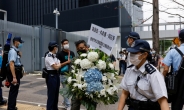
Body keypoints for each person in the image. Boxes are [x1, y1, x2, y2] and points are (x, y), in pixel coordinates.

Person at [118, 40, 169, 110]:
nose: (131, 55)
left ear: (145, 55)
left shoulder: (154, 74)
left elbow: (162, 101)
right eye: (131, 52)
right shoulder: (129, 70)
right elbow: (124, 93)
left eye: (135, 53)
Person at [162, 29, 184, 110]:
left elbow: (165, 69)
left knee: (176, 106)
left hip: (177, 83)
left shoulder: (173, 51)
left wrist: (162, 80)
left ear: (179, 39)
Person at [57, 39, 75, 110]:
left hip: (71, 74)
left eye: (67, 43)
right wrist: (67, 62)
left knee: (70, 90)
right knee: (65, 90)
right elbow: (58, 65)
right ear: (62, 45)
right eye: (64, 43)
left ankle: (65, 101)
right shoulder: (59, 54)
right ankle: (68, 105)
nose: (66, 44)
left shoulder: (72, 53)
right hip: (63, 74)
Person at [7, 37, 24, 110]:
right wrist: (14, 77)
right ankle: (11, 107)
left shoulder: (16, 51)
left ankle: (12, 106)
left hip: (16, 73)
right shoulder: (13, 51)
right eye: (20, 42)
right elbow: (11, 64)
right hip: (14, 74)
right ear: (16, 42)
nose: (21, 44)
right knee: (13, 91)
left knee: (15, 90)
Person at [45, 41, 61, 110]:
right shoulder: (49, 56)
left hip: (56, 75)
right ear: (54, 48)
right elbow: (56, 67)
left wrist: (58, 65)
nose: (57, 48)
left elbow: (58, 64)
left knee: (56, 95)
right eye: (56, 47)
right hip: (51, 76)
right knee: (51, 95)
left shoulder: (54, 56)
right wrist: (58, 65)